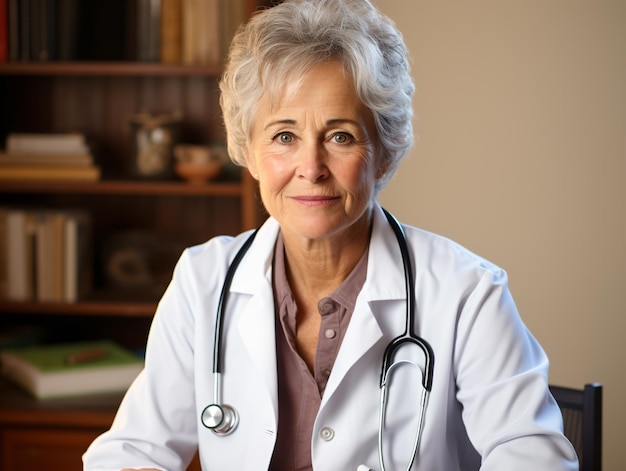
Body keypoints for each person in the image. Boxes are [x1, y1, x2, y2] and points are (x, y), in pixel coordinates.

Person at [83, 0, 578, 469]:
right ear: (247, 151)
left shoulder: (467, 292)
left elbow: (533, 455)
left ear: (383, 151)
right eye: (283, 136)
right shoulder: (202, 282)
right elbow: (131, 449)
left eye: (340, 135)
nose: (311, 167)